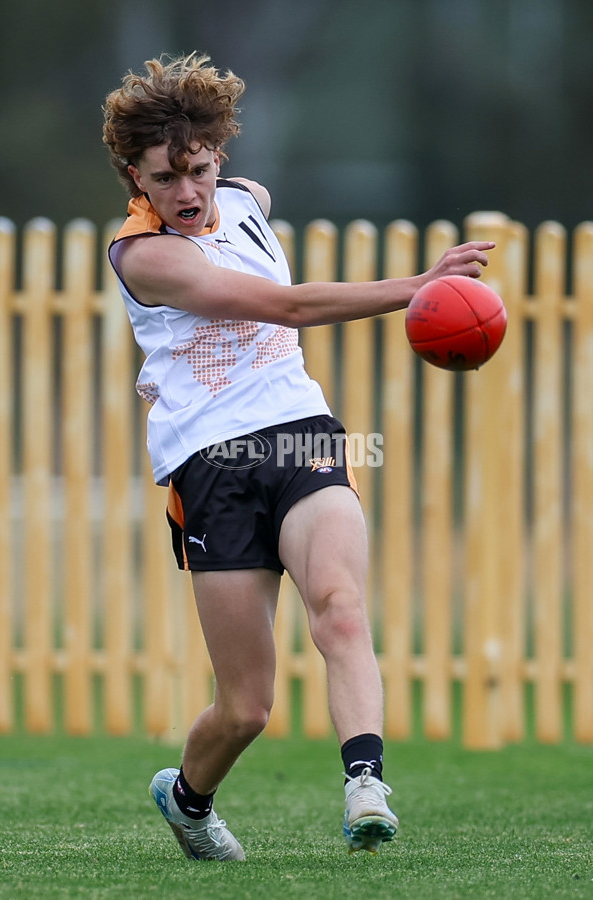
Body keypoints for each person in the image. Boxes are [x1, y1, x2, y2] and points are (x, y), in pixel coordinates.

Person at [102, 52, 494, 861]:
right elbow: (286, 305)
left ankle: (366, 785)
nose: (186, 192)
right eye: (163, 178)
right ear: (132, 176)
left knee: (341, 608)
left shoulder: (247, 201)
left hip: (304, 433)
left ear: (219, 158)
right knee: (246, 706)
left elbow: (254, 231)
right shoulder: (145, 257)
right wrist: (418, 287)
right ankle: (187, 798)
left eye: (198, 169)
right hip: (212, 467)